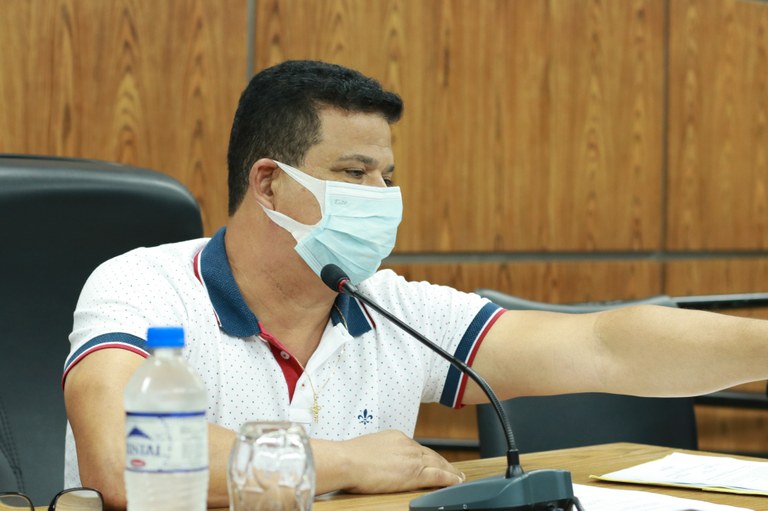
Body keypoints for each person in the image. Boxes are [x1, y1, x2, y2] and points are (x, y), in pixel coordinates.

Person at [62, 60, 768, 510]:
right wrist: (345, 462)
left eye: (387, 175)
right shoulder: (144, 286)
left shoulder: (392, 307)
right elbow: (122, 460)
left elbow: (605, 346)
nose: (381, 196)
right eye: (354, 172)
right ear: (269, 183)